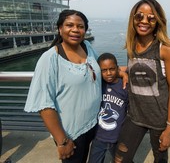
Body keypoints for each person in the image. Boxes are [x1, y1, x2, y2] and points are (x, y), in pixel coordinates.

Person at [24, 9, 127, 163]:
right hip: (71, 132)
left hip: (94, 123)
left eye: (80, 26)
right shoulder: (50, 59)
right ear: (60, 28)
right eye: (69, 25)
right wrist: (62, 141)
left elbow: (102, 69)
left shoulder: (86, 46)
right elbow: (44, 105)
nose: (75, 30)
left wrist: (120, 72)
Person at [114, 0, 170, 163]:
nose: (144, 21)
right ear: (133, 19)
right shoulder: (132, 45)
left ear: (158, 22)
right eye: (139, 17)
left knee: (160, 159)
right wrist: (121, 71)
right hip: (135, 115)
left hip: (159, 118)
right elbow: (136, 67)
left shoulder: (165, 49)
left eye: (151, 18)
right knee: (120, 158)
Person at [88, 53, 128, 163]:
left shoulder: (124, 86)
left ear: (117, 68)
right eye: (104, 70)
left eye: (112, 69)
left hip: (118, 138)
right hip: (98, 137)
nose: (108, 73)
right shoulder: (97, 85)